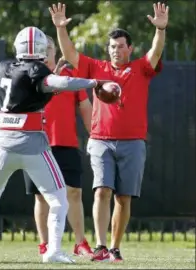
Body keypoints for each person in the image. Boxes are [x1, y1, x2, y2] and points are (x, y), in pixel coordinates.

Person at [0, 26, 109, 264]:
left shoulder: (3, 68)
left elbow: (32, 90)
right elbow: (56, 83)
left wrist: (52, 76)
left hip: (4, 146)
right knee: (58, 198)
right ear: (41, 49)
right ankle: (52, 250)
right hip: (33, 146)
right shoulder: (38, 71)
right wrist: (94, 82)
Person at [49, 2, 168, 262]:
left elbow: (156, 52)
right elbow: (69, 54)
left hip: (133, 143)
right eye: (112, 47)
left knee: (124, 198)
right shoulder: (96, 68)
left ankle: (114, 248)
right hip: (101, 140)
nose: (116, 51)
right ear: (108, 49)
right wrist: (60, 29)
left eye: (121, 46)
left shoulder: (140, 68)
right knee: (101, 190)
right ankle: (100, 246)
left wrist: (160, 30)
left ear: (130, 48)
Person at [23, 35, 93, 256]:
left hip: (66, 143)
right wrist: (53, 75)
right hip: (36, 143)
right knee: (41, 196)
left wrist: (95, 135)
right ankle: (44, 245)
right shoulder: (29, 75)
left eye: (49, 49)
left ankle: (80, 243)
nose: (46, 53)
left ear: (54, 52)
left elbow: (84, 106)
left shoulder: (71, 76)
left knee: (73, 192)